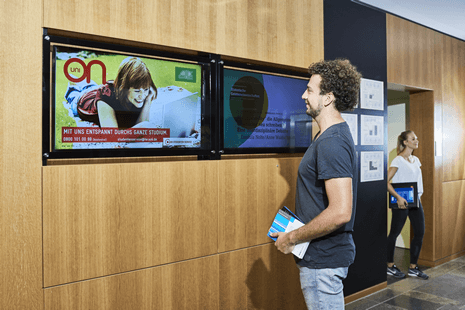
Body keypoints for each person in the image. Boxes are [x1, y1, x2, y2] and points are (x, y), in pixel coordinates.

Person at [270, 59, 360, 310]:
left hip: (324, 261)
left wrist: (292, 238)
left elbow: (341, 211)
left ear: (328, 97)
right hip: (322, 258)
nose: (303, 95)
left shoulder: (332, 142)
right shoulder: (326, 135)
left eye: (310, 90)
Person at [65, 57, 157, 129]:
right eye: (136, 91)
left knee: (91, 86)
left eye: (146, 90)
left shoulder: (144, 93)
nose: (142, 96)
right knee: (74, 94)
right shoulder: (106, 97)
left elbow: (142, 125)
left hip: (98, 90)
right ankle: (72, 82)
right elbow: (111, 135)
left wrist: (148, 99)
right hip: (84, 100)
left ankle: (84, 81)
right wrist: (139, 130)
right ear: (124, 88)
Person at [386, 130, 429, 280]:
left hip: (415, 201)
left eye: (416, 138)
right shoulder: (398, 160)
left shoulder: (416, 160)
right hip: (402, 203)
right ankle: (390, 266)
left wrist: (419, 198)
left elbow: (417, 182)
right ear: (405, 142)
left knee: (420, 232)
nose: (416, 140)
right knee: (394, 233)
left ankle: (413, 268)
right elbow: (386, 182)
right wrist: (397, 197)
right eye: (413, 138)